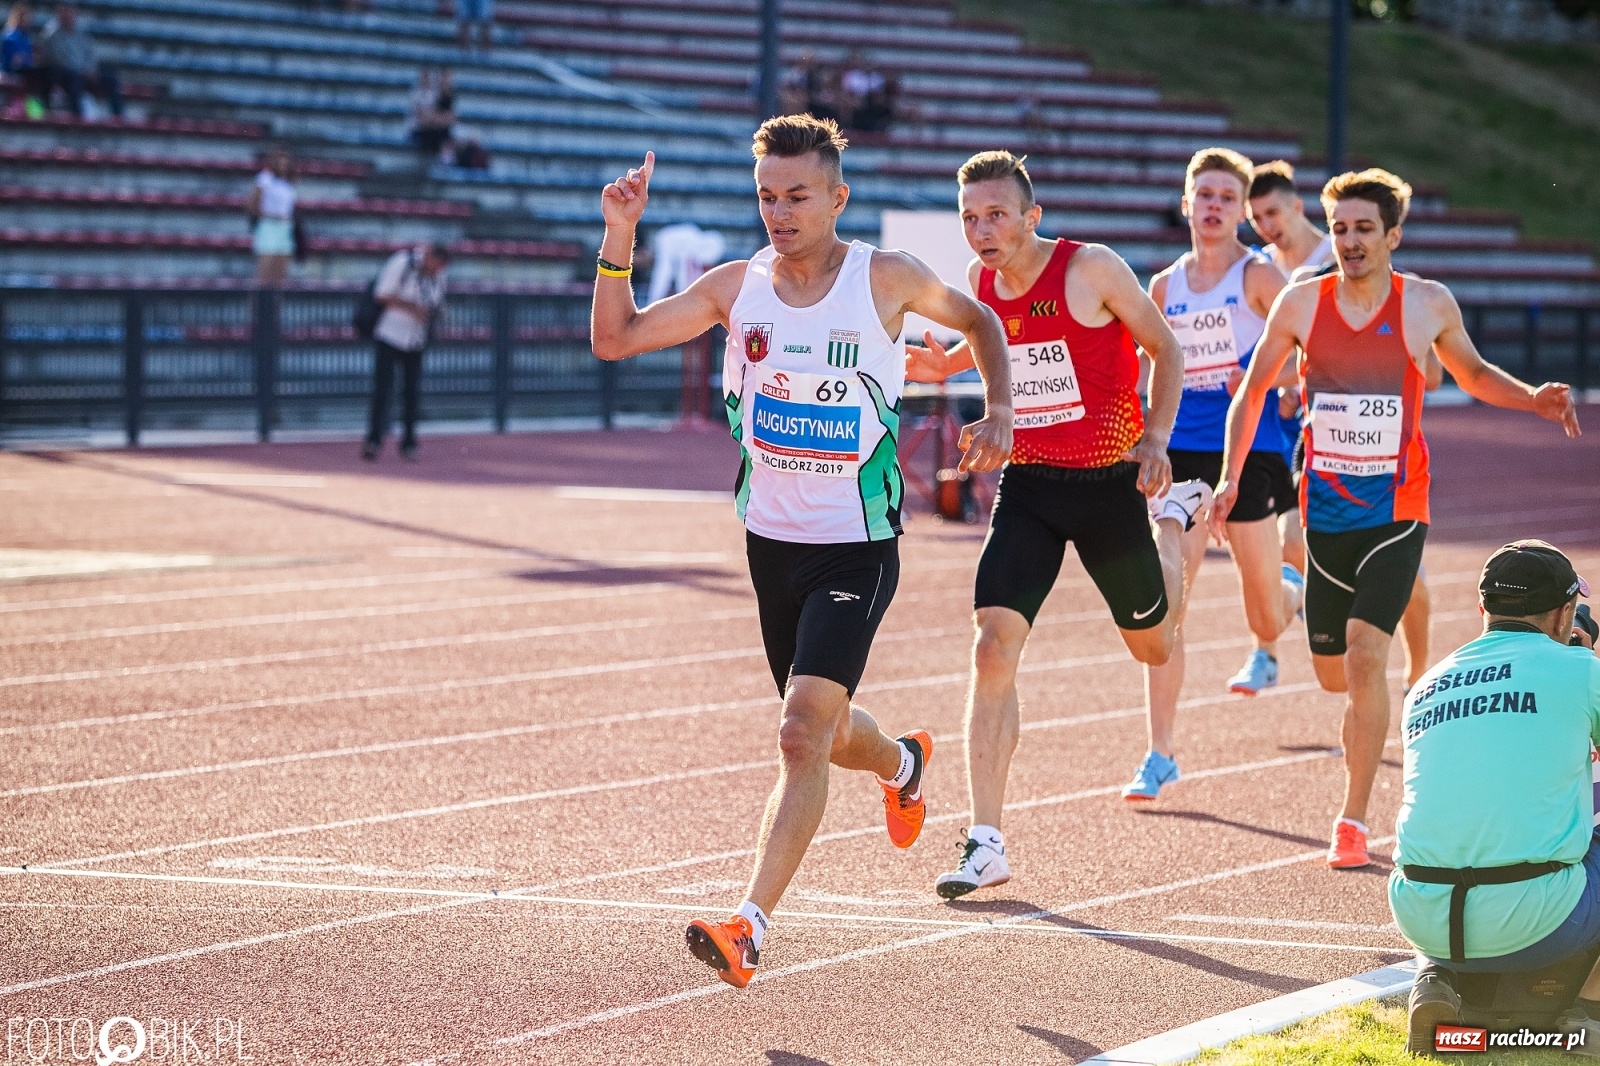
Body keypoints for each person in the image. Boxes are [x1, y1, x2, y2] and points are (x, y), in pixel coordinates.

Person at [590, 114, 1014, 987]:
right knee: (825, 729)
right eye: (766, 198)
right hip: (770, 546)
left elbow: (979, 321)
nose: (779, 214)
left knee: (798, 732)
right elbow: (615, 338)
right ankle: (903, 762)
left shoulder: (885, 278)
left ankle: (747, 928)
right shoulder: (735, 287)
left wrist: (999, 409)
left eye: (797, 197)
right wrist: (619, 232)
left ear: (837, 198)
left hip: (856, 547)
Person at [1215, 168, 1582, 869]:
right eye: (1341, 229)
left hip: (1398, 508)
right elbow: (1252, 391)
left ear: (1393, 236)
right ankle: (1342, 638)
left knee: (1363, 657)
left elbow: (1473, 374)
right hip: (1324, 511)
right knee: (1334, 675)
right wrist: (1230, 477)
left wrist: (1533, 397)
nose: (1350, 241)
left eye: (1364, 229)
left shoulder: (1426, 304)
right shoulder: (1301, 303)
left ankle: (1352, 821)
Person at [904, 150, 1213, 896]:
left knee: (1154, 645)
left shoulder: (1091, 268)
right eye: (970, 217)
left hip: (1109, 484)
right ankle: (986, 842)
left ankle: (1173, 523)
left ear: (1031, 217)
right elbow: (997, 344)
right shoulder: (980, 283)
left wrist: (1157, 441)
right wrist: (946, 368)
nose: (982, 230)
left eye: (996, 215)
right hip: (1031, 486)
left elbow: (1165, 348)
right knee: (992, 648)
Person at [1389, 541, 1599, 1052]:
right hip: (1537, 922)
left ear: (1481, 608)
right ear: (1565, 614)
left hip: (1422, 918)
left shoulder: (1426, 685)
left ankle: (1433, 977)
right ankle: (1588, 1014)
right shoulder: (1580, 671)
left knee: (1459, 824)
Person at [1149, 147, 1304, 702]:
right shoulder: (1164, 286)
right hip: (1183, 448)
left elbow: (1311, 354)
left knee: (1266, 617)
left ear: (1242, 211)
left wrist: (1260, 377)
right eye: (1205, 195)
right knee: (1169, 599)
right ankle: (1160, 744)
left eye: (1227, 198)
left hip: (1249, 446)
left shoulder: (1258, 276)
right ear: (1186, 204)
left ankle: (1291, 589)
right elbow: (1151, 366)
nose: (1214, 206)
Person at [362, 242, 449, 462]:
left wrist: (435, 312)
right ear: (428, 256)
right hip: (389, 334)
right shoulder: (402, 263)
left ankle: (409, 443)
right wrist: (412, 308)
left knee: (411, 393)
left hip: (415, 339)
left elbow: (437, 301)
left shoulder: (438, 276)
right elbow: (381, 294)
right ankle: (373, 440)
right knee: (383, 390)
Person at [39, 4, 119, 118]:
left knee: (111, 78)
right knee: (74, 79)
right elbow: (56, 59)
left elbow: (90, 54)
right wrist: (82, 71)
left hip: (86, 72)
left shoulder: (81, 32)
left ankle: (118, 117)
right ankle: (77, 117)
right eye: (65, 12)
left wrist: (91, 69)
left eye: (70, 12)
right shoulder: (50, 34)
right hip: (65, 74)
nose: (68, 15)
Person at [248, 148, 297, 288]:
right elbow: (252, 204)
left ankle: (276, 301)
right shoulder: (265, 179)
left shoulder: (288, 182)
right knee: (265, 269)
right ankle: (259, 301)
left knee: (281, 270)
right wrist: (270, 215)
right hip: (269, 225)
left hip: (284, 226)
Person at [1, 3, 44, 118]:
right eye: (25, 18)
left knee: (43, 74)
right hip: (10, 71)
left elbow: (28, 58)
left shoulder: (26, 37)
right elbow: (14, 62)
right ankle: (18, 107)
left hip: (25, 70)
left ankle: (36, 109)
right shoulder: (10, 36)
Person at [411, 69, 455, 163]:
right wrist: (436, 119)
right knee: (438, 135)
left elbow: (449, 117)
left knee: (444, 133)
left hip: (434, 127)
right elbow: (423, 119)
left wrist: (436, 119)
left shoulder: (439, 96)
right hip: (420, 129)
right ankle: (441, 162)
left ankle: (445, 161)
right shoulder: (417, 95)